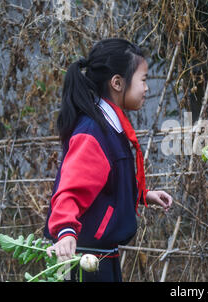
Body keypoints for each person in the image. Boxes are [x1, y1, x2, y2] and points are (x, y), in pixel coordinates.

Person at [43, 38, 173, 282]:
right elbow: (69, 191)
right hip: (80, 258)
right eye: (143, 80)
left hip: (101, 257)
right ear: (117, 83)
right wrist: (66, 230)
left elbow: (105, 186)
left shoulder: (111, 125)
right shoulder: (94, 132)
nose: (146, 88)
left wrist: (141, 196)